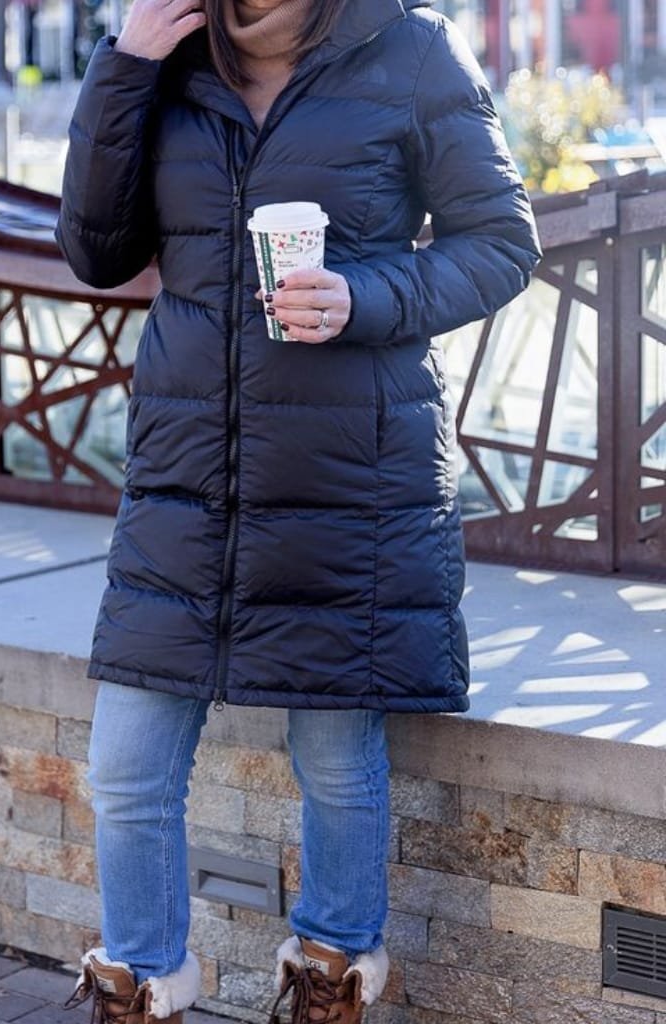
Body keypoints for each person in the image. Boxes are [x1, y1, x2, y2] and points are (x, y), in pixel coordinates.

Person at [56, 0, 541, 1020]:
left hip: (348, 475)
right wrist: (125, 65)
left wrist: (365, 297)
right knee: (127, 763)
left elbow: (501, 242)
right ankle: (139, 982)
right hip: (189, 472)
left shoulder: (409, 47)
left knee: (334, 758)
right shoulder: (164, 52)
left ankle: (333, 977)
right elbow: (96, 252)